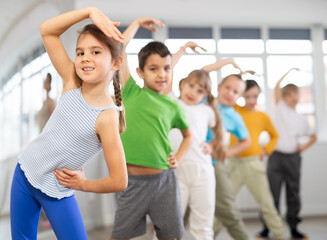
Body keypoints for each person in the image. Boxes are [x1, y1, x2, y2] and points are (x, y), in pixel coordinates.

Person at [10, 7, 128, 240]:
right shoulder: (71, 81)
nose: (85, 58)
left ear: (116, 63)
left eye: (95, 52)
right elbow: (47, 31)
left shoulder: (107, 116)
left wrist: (83, 185)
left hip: (57, 190)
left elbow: (120, 180)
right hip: (25, 172)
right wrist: (90, 12)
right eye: (80, 52)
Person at [110, 18, 192, 240]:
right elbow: (119, 47)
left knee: (171, 236)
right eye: (153, 69)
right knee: (118, 236)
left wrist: (180, 158)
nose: (162, 74)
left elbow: (188, 136)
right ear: (140, 71)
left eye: (167, 68)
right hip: (132, 183)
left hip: (165, 181)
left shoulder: (173, 105)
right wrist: (136, 22)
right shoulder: (130, 91)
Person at [165, 42, 225, 240]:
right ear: (182, 84)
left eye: (200, 91)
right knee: (169, 223)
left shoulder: (207, 111)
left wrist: (213, 145)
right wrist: (182, 50)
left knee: (202, 225)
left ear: (205, 95)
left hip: (203, 170)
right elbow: (168, 69)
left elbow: (221, 132)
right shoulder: (172, 101)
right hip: (176, 170)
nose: (193, 92)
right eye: (191, 86)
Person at [257, 68, 317, 239]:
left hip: (293, 158)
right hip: (276, 156)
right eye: (289, 94)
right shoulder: (281, 108)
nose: (294, 97)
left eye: (295, 94)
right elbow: (277, 86)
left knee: (293, 193)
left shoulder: (302, 119)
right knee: (272, 193)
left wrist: (302, 148)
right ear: (284, 97)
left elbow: (313, 136)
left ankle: (294, 228)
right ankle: (267, 227)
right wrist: (289, 71)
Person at [228, 79, 285, 240]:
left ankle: (280, 235)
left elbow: (275, 136)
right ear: (241, 95)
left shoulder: (263, 117)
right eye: (248, 97)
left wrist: (266, 150)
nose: (252, 101)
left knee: (267, 205)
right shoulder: (234, 110)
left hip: (254, 165)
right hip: (234, 165)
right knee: (224, 204)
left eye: (255, 96)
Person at [202, 60, 251, 240]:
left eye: (236, 91)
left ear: (240, 96)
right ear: (219, 86)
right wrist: (229, 62)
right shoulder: (204, 100)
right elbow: (202, 71)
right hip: (190, 162)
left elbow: (246, 141)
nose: (230, 93)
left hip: (215, 166)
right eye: (227, 87)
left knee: (228, 211)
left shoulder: (235, 117)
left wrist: (225, 154)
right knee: (180, 211)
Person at [37, 72, 56, 229]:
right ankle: (44, 215)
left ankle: (50, 215)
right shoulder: (44, 101)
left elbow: (54, 124)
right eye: (44, 81)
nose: (44, 83)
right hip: (41, 143)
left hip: (49, 143)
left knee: (47, 178)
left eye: (46, 81)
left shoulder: (51, 102)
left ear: (50, 83)